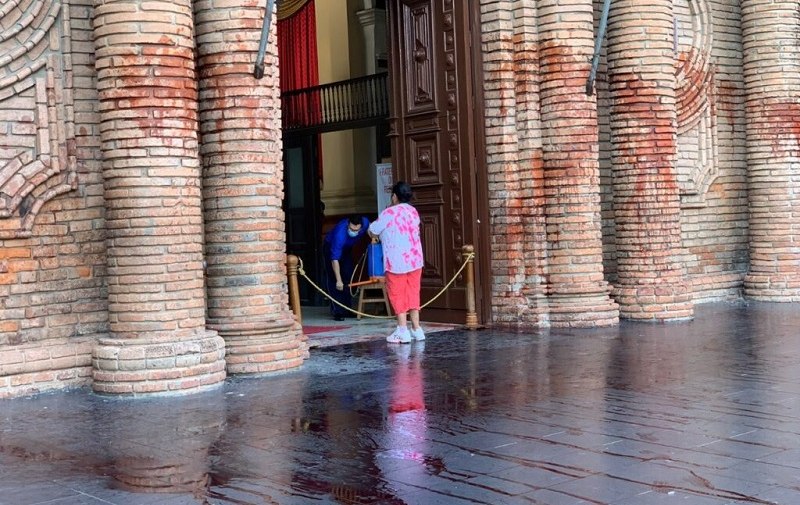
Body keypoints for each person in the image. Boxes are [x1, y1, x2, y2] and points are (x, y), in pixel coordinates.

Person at [368, 181, 424, 343]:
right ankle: (416, 328)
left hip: (396, 260)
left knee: (397, 293)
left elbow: (373, 230)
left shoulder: (388, 213)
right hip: (415, 259)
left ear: (395, 196)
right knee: (413, 292)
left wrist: (372, 234)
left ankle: (402, 330)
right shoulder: (414, 211)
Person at [323, 215, 370, 321]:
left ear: (361, 227)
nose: (353, 232)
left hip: (347, 248)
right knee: (333, 279)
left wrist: (373, 238)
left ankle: (347, 309)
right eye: (351, 229)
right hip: (330, 247)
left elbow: (370, 229)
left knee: (348, 276)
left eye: (356, 230)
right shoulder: (340, 235)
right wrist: (339, 280)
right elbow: (335, 260)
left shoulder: (365, 222)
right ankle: (337, 311)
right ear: (348, 224)